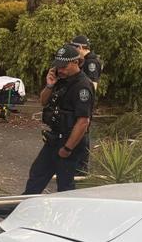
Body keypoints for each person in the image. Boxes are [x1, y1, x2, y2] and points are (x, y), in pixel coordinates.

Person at [23, 44, 95, 194]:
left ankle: (67, 216)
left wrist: (67, 149)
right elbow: (43, 102)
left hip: (70, 142)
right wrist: (49, 86)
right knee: (36, 175)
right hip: (54, 138)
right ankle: (22, 209)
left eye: (64, 66)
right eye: (58, 66)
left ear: (75, 63)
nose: (60, 70)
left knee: (65, 186)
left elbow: (83, 122)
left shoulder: (82, 86)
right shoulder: (60, 79)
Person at [70, 35, 101, 175]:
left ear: (81, 47)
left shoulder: (91, 62)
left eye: (74, 47)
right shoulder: (85, 61)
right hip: (82, 101)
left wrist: (83, 100)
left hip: (85, 101)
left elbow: (93, 85)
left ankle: (81, 168)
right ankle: (77, 164)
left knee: (83, 133)